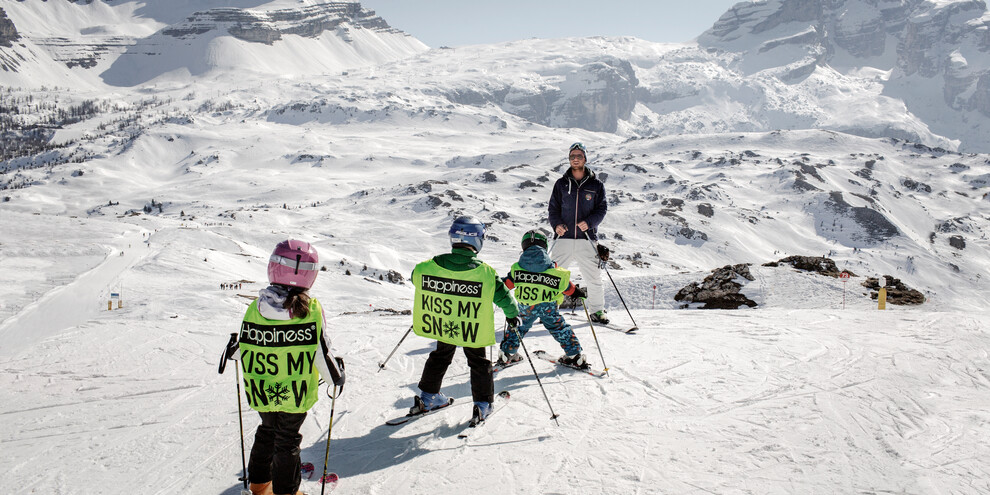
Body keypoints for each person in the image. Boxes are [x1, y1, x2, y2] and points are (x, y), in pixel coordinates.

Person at [236, 240, 345, 495]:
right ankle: (287, 491)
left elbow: (244, 343)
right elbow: (321, 352)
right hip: (294, 394)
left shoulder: (256, 308)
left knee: (266, 432)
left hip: (262, 390)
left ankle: (260, 484)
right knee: (287, 441)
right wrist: (335, 378)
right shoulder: (310, 311)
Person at [410, 215, 520, 423]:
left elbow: (416, 277)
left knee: (440, 355)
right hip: (473, 327)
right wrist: (513, 316)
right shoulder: (484, 272)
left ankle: (428, 396)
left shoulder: (433, 264)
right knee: (479, 362)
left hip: (444, 322)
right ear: (478, 240)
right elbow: (504, 297)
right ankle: (482, 404)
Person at [497, 229, 590, 368]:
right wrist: (576, 292)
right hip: (549, 308)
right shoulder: (553, 269)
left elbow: (507, 284)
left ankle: (508, 354)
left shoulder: (517, 268)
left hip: (525, 308)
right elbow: (565, 286)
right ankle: (574, 355)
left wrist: (495, 286)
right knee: (559, 328)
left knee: (518, 327)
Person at [548, 142, 610, 324]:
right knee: (554, 278)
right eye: (572, 156)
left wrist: (589, 223)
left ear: (585, 158)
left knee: (594, 278)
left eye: (579, 156)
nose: (575, 159)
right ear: (569, 159)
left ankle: (597, 311)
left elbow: (602, 209)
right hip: (563, 238)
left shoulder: (596, 185)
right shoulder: (560, 184)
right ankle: (549, 311)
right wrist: (556, 224)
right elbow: (553, 209)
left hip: (586, 239)